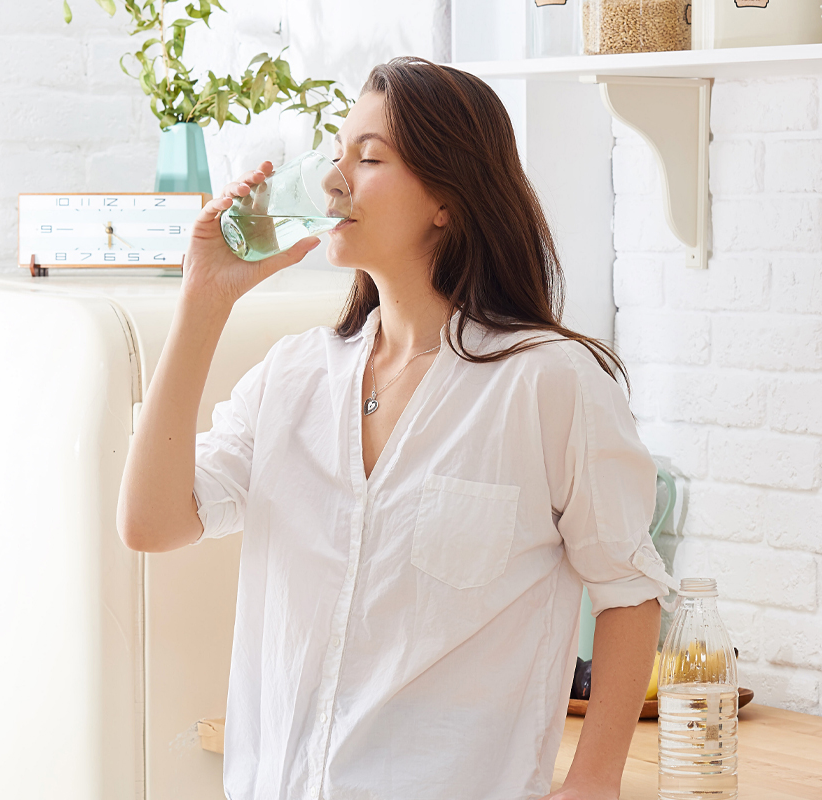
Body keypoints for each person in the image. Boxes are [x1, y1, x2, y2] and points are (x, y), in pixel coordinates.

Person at [116, 56, 678, 800]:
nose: (334, 179)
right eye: (339, 152)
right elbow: (151, 522)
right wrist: (203, 301)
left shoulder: (549, 383)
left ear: (448, 198)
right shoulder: (294, 378)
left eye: (369, 157)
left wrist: (594, 780)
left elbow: (628, 588)